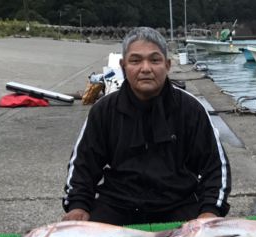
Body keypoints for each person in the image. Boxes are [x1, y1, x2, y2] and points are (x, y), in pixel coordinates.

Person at [62, 26, 231, 226]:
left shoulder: (190, 108)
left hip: (178, 203)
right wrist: (77, 205)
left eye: (155, 60)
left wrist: (210, 210)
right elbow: (82, 165)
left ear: (167, 65)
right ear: (123, 65)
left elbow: (215, 167)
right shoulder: (104, 110)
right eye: (135, 61)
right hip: (117, 204)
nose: (145, 68)